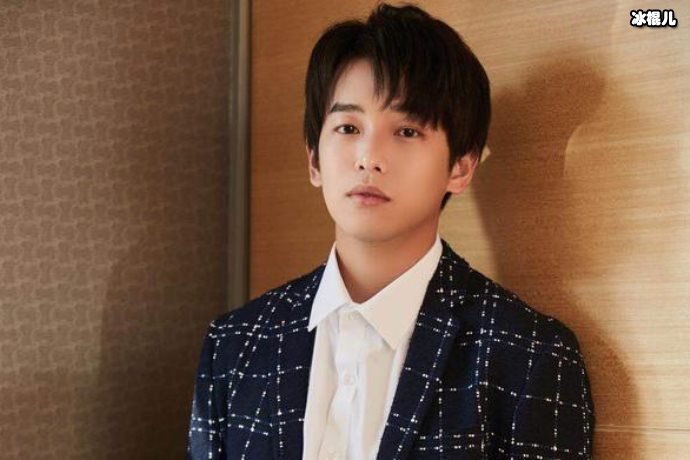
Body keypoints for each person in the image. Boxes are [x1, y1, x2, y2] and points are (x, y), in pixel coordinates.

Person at [186, 3, 595, 459]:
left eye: (406, 131)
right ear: (314, 159)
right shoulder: (235, 344)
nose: (368, 157)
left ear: (461, 167)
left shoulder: (530, 357)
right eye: (348, 127)